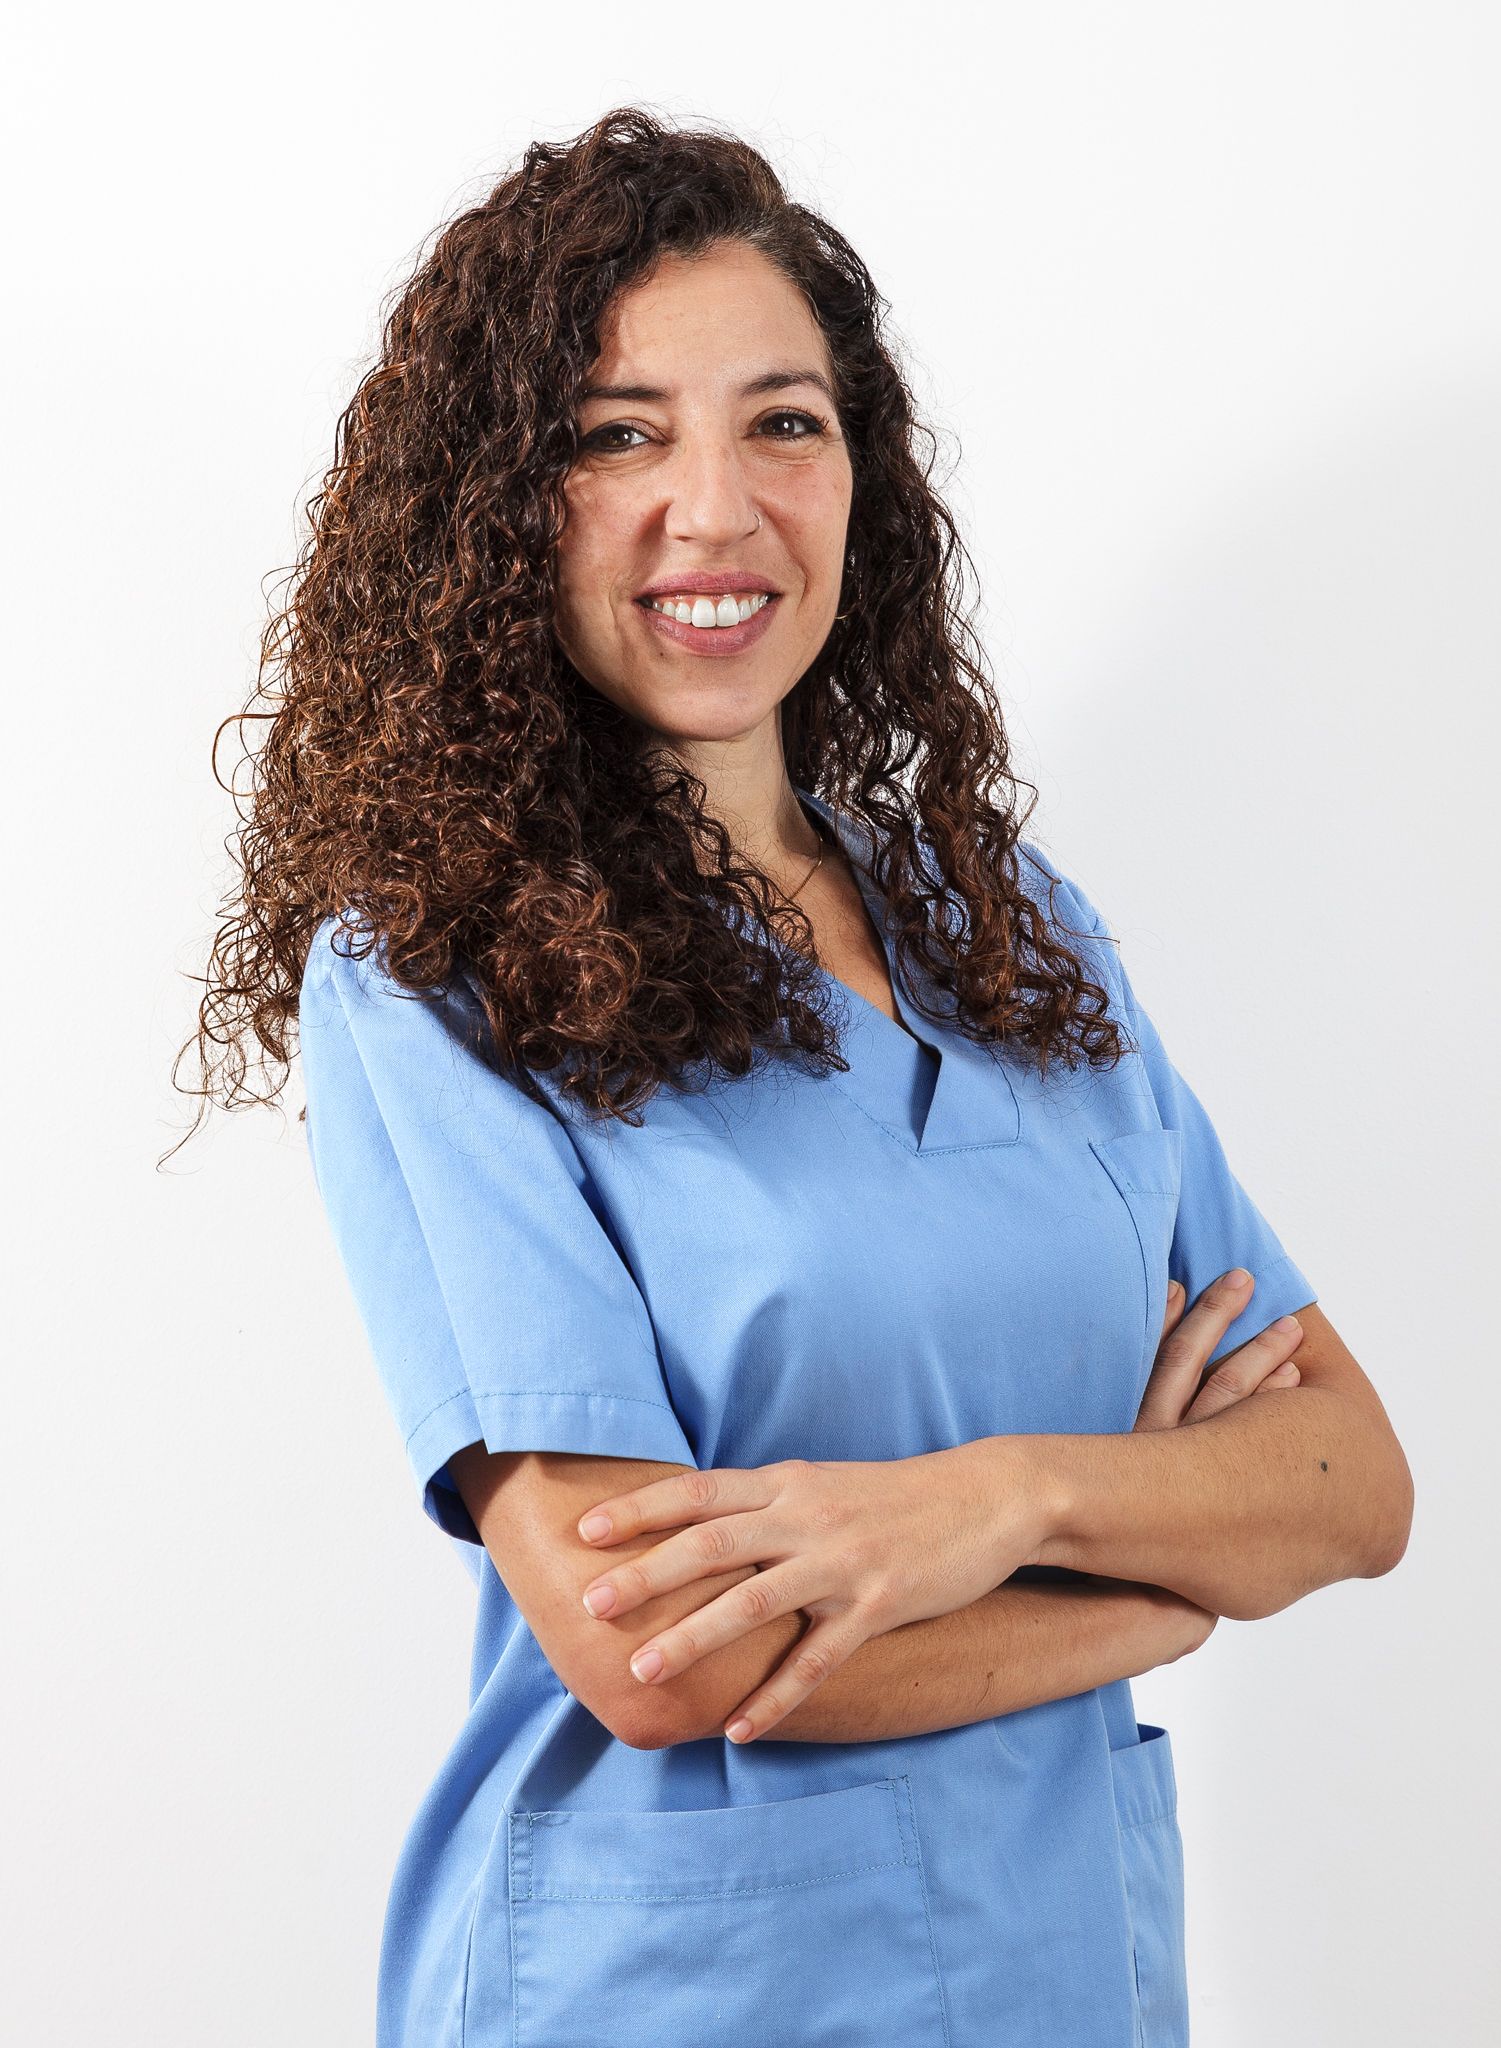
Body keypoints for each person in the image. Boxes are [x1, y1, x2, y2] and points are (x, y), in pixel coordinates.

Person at [178, 107, 1413, 2048]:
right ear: (499, 508)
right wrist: (1162, 1584)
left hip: (1065, 1975)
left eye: (783, 422)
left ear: (862, 480)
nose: (716, 507)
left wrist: (996, 1501)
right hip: (675, 1996)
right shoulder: (432, 980)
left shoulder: (1014, 932)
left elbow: (1350, 1479)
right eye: (616, 435)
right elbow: (665, 1654)